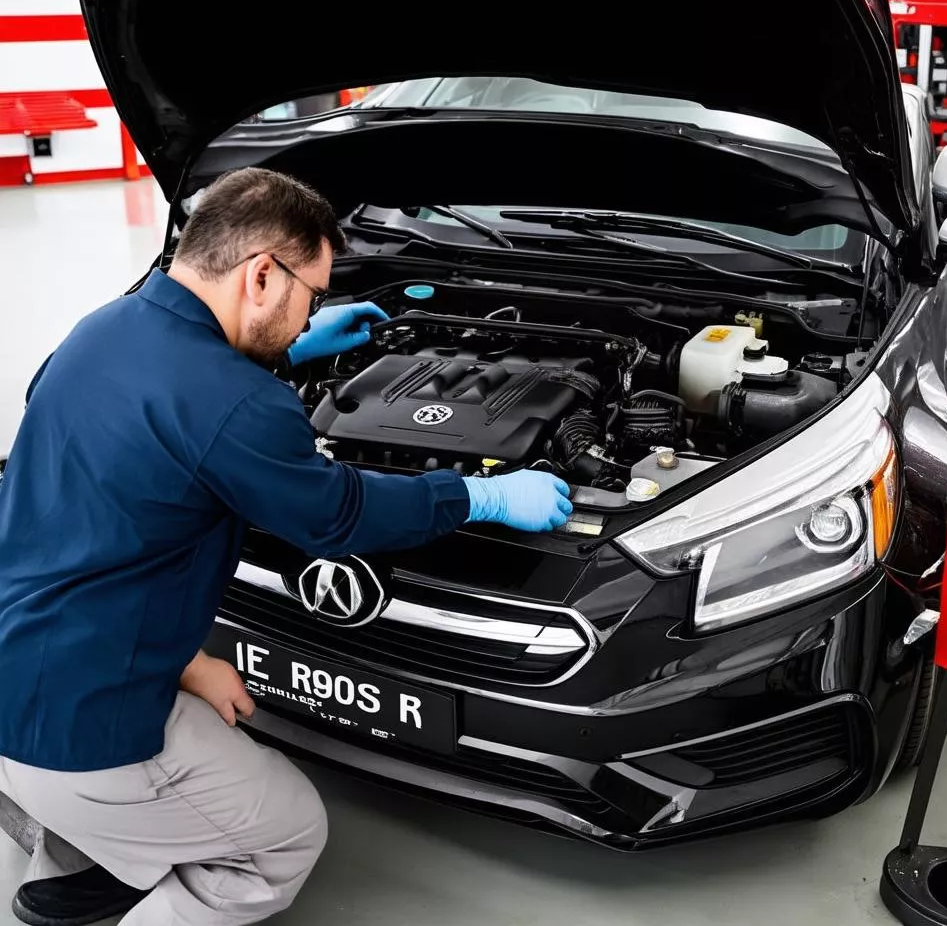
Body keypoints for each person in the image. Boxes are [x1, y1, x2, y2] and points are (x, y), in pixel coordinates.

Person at [0, 167, 572, 926]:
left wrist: (287, 356)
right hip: (78, 729)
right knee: (290, 834)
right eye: (312, 296)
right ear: (262, 273)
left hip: (22, 664)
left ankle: (117, 853)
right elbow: (337, 514)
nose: (311, 317)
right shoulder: (238, 405)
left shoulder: (101, 329)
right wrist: (482, 494)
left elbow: (165, 426)